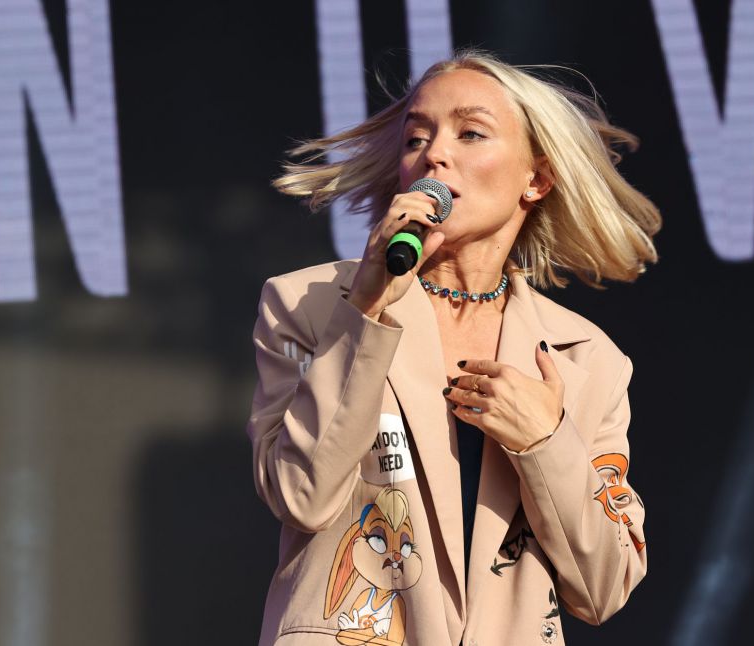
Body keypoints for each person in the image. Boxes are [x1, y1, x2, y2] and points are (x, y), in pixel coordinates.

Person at [247, 49, 662, 646]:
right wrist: (363, 312)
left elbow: (604, 588)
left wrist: (546, 442)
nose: (434, 154)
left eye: (470, 133)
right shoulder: (304, 305)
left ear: (536, 179)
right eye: (416, 138)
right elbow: (302, 496)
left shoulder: (586, 357)